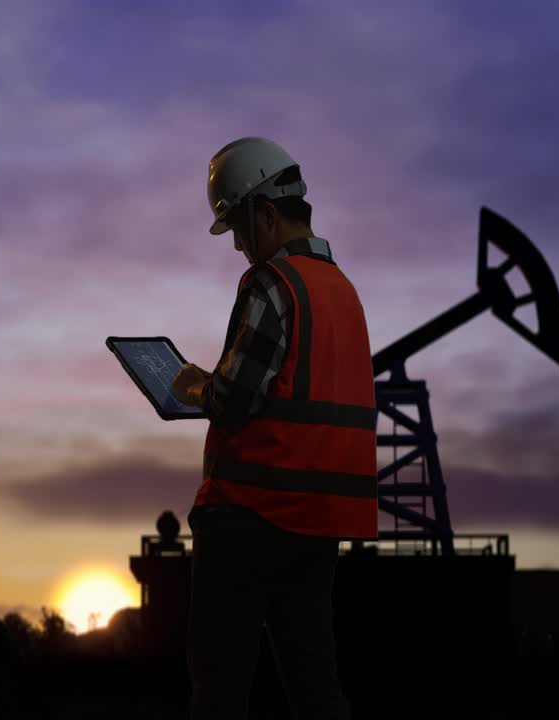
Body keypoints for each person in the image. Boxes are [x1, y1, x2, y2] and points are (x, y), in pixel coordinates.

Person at [170, 137, 379, 720]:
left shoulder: (272, 283)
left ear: (264, 213)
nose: (238, 244)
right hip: (318, 526)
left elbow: (235, 398)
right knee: (317, 688)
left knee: (219, 692)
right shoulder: (344, 293)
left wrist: (191, 385)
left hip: (250, 516)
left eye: (238, 228)